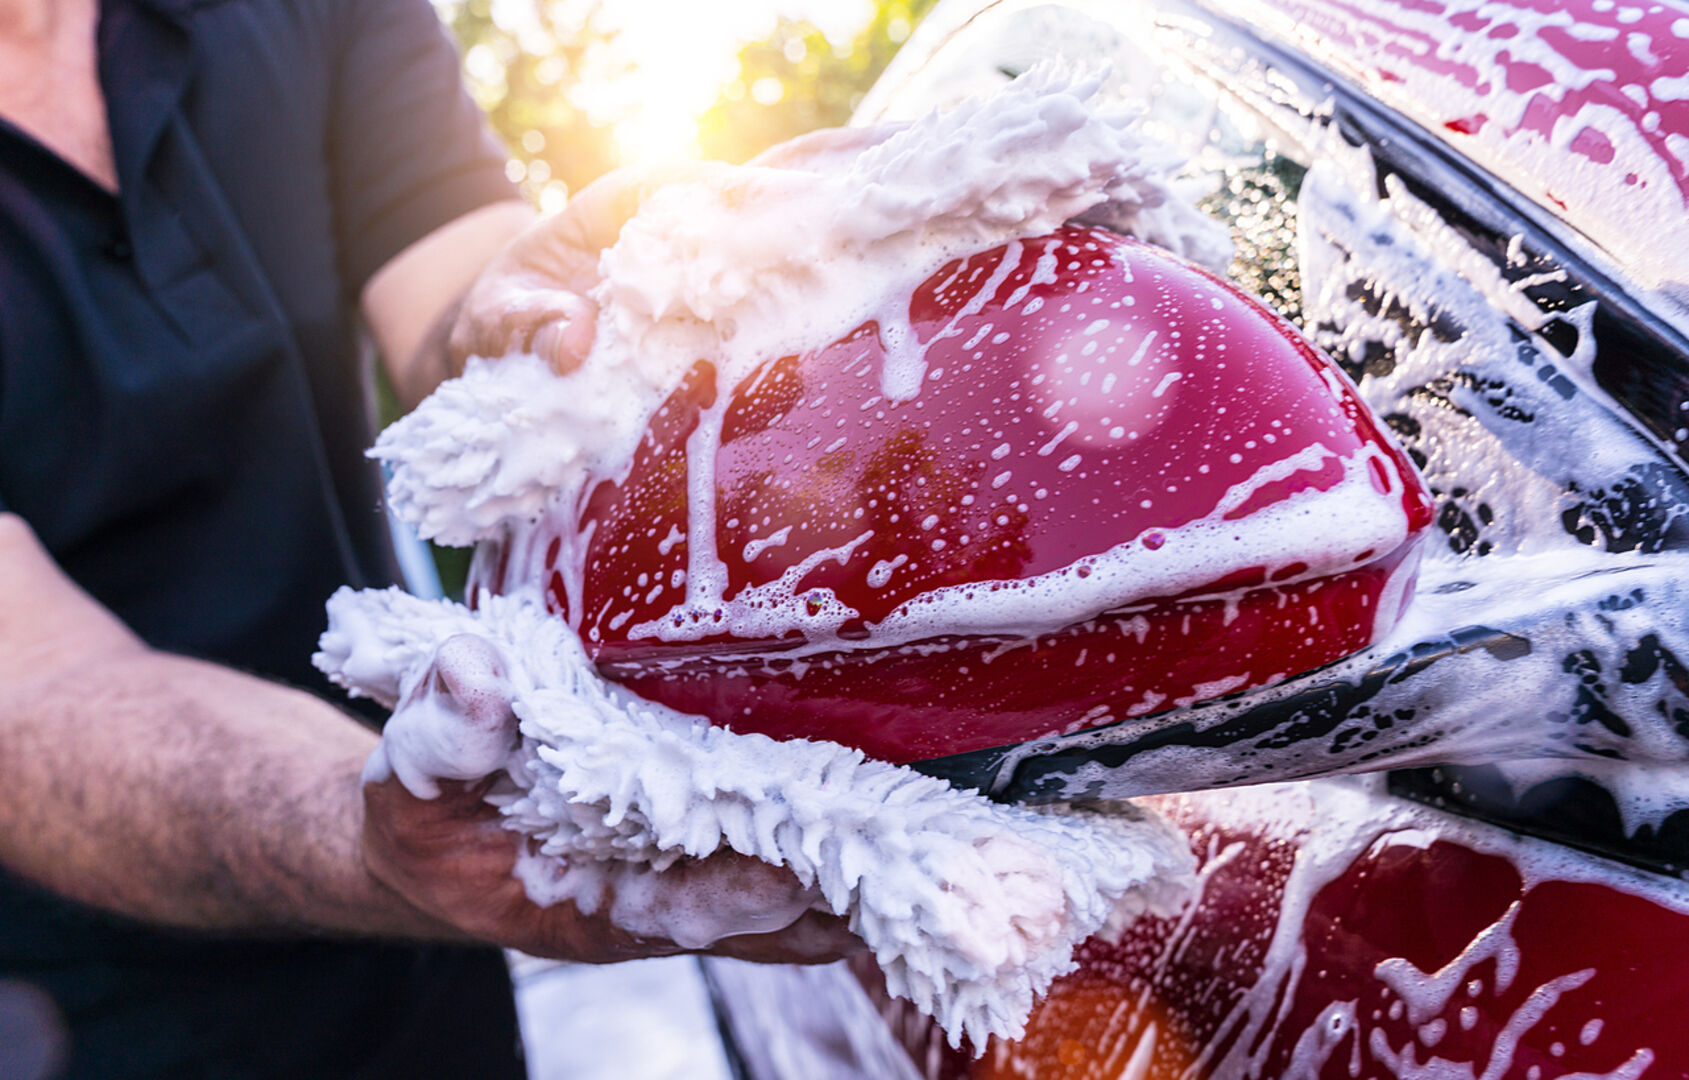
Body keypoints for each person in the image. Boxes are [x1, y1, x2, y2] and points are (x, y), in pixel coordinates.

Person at [0, 0, 848, 1075]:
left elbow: (461, 296)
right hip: (85, 1013)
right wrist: (373, 826)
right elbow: (26, 683)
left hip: (421, 973)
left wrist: (549, 317)